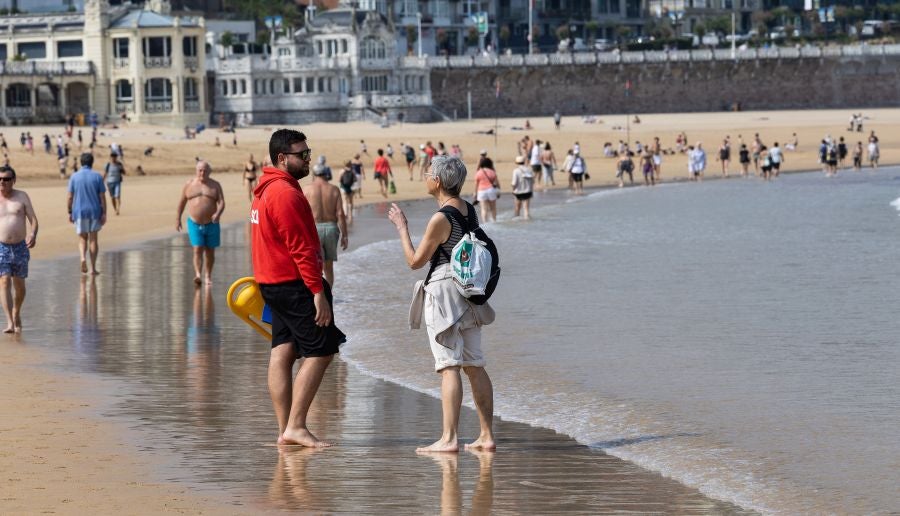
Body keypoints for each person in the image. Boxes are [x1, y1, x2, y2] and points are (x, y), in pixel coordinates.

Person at [386, 155, 496, 452]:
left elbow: (414, 261)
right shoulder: (469, 210)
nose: (425, 176)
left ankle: (449, 439)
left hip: (445, 290)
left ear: (437, 181)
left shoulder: (440, 217)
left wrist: (401, 227)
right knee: (474, 364)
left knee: (449, 366)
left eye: (428, 173)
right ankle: (486, 435)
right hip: (470, 289)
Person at [251, 128, 345, 447]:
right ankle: (296, 425)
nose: (307, 159)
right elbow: (301, 247)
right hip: (293, 283)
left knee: (284, 350)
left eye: (308, 153)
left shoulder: (263, 189)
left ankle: (286, 429)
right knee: (322, 350)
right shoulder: (285, 193)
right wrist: (318, 292)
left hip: (272, 281)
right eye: (301, 155)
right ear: (282, 158)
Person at [0, 165, 38, 333]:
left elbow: (33, 220)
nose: (2, 182)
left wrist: (33, 234)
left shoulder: (21, 197)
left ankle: (16, 311)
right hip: (1, 247)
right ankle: (9, 322)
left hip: (20, 247)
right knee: (4, 281)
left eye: (6, 179)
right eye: (0, 179)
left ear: (13, 181)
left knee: (20, 286)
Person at [175, 161, 225, 286]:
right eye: (200, 170)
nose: (202, 173)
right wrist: (178, 219)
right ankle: (198, 274)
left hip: (212, 223)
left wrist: (218, 213)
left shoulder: (215, 185)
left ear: (210, 171)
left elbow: (222, 203)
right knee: (197, 248)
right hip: (194, 222)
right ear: (196, 171)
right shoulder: (189, 184)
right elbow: (182, 202)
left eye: (205, 170)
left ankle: (208, 275)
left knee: (210, 251)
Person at [307, 161, 349, 287]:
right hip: (331, 228)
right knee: (328, 265)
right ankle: (329, 294)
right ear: (325, 174)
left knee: (316, 265)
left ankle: (318, 296)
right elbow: (340, 214)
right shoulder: (334, 189)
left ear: (314, 174)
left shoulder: (306, 189)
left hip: (314, 229)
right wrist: (345, 236)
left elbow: (300, 213)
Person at [67, 153, 107, 275]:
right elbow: (102, 197)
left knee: (82, 238)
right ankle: (93, 268)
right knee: (93, 239)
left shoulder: (74, 177)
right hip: (94, 211)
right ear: (92, 162)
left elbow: (70, 197)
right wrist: (104, 212)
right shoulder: (97, 177)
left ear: (81, 162)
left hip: (79, 211)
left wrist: (69, 211)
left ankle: (82, 258)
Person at [473, 157, 499, 222]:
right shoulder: (492, 172)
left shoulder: (478, 172)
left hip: (481, 191)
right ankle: (494, 221)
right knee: (493, 208)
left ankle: (485, 223)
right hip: (491, 190)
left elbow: (476, 184)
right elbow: (496, 183)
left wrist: (475, 193)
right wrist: (498, 191)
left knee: (484, 209)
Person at [511, 156, 534, 220]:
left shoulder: (516, 171)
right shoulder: (529, 169)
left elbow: (514, 183)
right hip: (528, 191)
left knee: (517, 208)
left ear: (517, 162)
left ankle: (516, 222)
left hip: (518, 192)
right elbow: (532, 181)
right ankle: (527, 222)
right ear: (524, 162)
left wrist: (513, 190)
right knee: (526, 209)